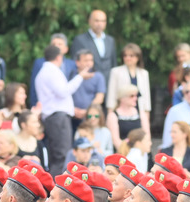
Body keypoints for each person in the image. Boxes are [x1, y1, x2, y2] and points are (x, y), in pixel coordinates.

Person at [36, 44, 93, 176]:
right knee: (62, 156)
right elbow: (63, 92)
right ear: (59, 57)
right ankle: (57, 189)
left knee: (56, 156)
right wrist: (80, 76)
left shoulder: (43, 72)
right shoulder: (52, 71)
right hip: (58, 118)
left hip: (53, 117)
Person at [106, 44, 151, 139]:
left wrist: (146, 113)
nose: (128, 58)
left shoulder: (144, 73)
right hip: (122, 109)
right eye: (125, 55)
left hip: (139, 108)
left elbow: (146, 96)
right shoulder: (116, 71)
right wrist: (111, 113)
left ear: (138, 57)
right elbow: (112, 94)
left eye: (131, 56)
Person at [73, 10, 117, 82]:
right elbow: (75, 63)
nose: (100, 24)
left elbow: (113, 63)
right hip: (89, 82)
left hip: (108, 81)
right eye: (97, 21)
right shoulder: (80, 40)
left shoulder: (110, 40)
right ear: (90, 21)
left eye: (103, 21)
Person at [107, 84, 143, 150]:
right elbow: (115, 140)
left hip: (140, 151)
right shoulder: (113, 116)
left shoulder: (140, 113)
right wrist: (129, 155)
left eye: (136, 95)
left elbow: (146, 136)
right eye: (132, 96)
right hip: (122, 153)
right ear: (122, 98)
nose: (135, 98)